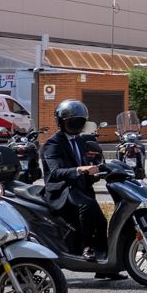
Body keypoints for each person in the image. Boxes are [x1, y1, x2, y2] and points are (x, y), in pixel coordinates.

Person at [41, 99, 108, 261]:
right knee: (87, 205)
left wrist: (97, 172)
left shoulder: (80, 140)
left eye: (80, 121)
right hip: (62, 190)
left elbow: (87, 163)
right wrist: (80, 169)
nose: (76, 125)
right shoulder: (52, 143)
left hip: (79, 188)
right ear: (60, 122)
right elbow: (55, 172)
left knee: (101, 221)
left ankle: (105, 262)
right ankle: (86, 247)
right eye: (72, 121)